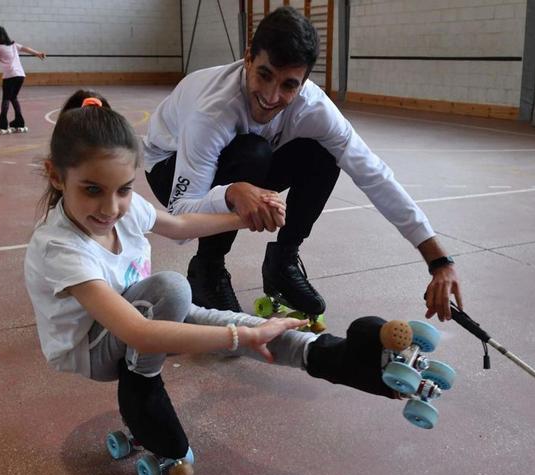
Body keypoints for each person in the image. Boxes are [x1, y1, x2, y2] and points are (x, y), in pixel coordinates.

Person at [24, 90, 414, 475]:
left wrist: (243, 219)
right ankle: (141, 391)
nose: (111, 208)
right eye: (92, 190)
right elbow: (139, 333)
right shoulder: (61, 248)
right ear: (56, 176)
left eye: (124, 189)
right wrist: (237, 341)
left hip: (136, 312)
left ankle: (340, 359)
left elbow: (178, 225)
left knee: (229, 320)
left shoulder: (122, 209)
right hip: (91, 347)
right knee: (177, 293)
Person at [143, 6, 463, 322]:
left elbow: (373, 173)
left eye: (288, 85)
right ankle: (208, 271)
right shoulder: (213, 112)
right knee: (252, 151)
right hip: (168, 165)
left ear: (305, 81)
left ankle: (283, 262)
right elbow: (179, 221)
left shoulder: (314, 108)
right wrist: (232, 193)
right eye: (264, 75)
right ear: (248, 58)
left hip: (245, 161)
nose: (270, 96)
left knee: (323, 150)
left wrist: (438, 259)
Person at [0, 25, 46, 134]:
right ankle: (19, 121)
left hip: (9, 76)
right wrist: (38, 53)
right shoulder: (13, 45)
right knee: (13, 98)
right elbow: (26, 49)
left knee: (6, 99)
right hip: (20, 75)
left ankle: (2, 123)